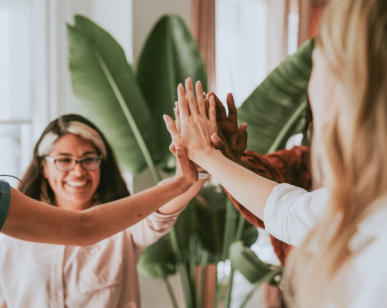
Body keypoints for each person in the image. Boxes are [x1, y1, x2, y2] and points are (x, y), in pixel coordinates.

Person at [0, 35, 200, 308]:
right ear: (44, 165)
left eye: (89, 159)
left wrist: (184, 179)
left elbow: (86, 228)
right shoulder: (13, 241)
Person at [165, 0, 387, 305]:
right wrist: (217, 157)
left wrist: (208, 155)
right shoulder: (358, 203)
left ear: (349, 89)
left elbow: (288, 210)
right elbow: (285, 208)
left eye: (318, 64)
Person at [0, 114, 206, 308]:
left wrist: (195, 170)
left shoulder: (124, 227)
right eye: (64, 161)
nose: (78, 171)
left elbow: (161, 213)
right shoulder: (16, 235)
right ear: (44, 168)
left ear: (101, 165)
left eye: (89, 160)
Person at [211, 92, 312, 266]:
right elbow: (269, 181)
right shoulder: (303, 160)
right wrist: (230, 161)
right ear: (311, 129)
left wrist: (209, 157)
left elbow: (282, 211)